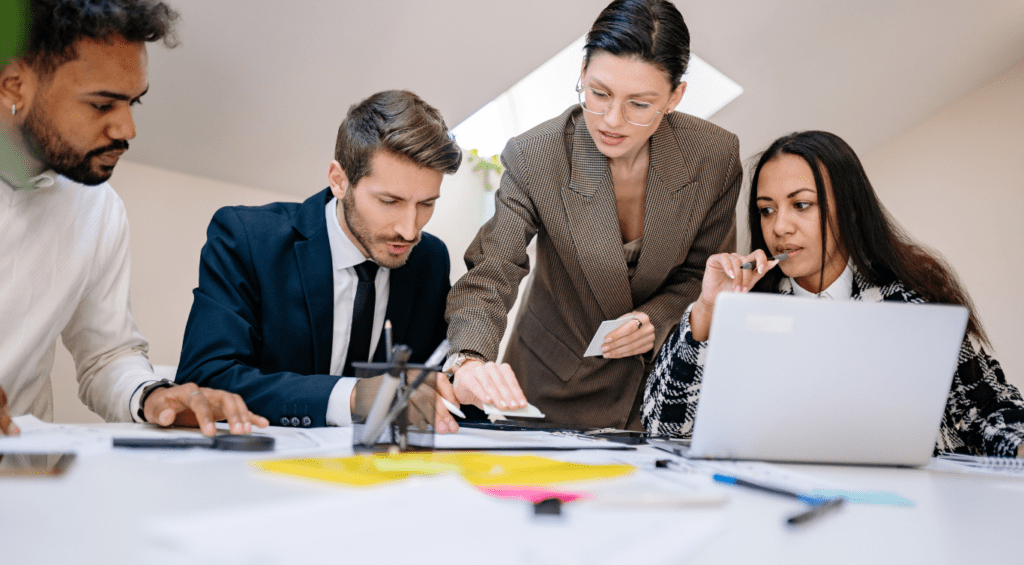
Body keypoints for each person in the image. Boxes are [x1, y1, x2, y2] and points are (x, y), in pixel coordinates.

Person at [444, 0, 742, 430]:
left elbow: (703, 274)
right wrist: (468, 360)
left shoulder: (713, 156)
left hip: (659, 392)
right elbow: (493, 270)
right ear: (582, 72)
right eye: (598, 94)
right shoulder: (536, 156)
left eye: (639, 104)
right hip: (547, 388)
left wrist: (653, 319)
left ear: (676, 96)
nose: (611, 120)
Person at [642, 130, 1024, 457]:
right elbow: (662, 427)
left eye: (801, 205)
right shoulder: (746, 308)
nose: (780, 227)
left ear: (852, 211)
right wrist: (708, 310)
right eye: (767, 210)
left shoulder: (909, 303)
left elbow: (984, 411)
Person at [0, 0, 267, 437]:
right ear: (14, 86)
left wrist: (153, 397)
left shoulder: (96, 207)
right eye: (103, 105)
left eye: (132, 103)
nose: (127, 129)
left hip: (23, 478)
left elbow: (106, 355)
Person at [176, 90, 465, 433]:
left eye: (426, 204)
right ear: (339, 181)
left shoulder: (430, 260)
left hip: (384, 476)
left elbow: (429, 384)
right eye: (389, 201)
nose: (409, 229)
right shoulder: (247, 239)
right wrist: (351, 396)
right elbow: (204, 377)